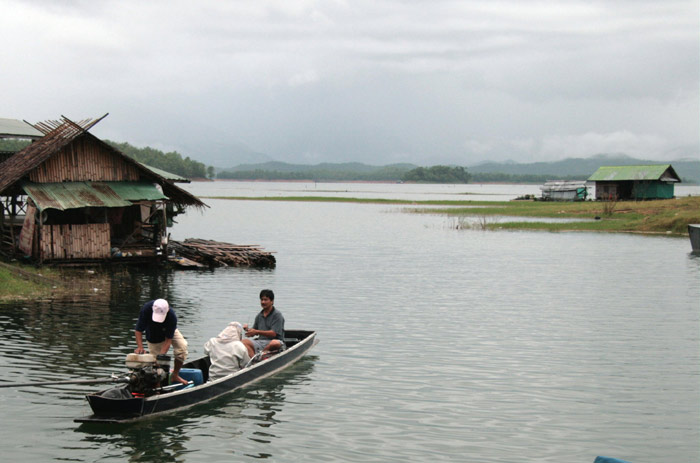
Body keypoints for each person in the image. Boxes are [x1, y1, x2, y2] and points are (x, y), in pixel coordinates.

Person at [134, 298, 189, 385]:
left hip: (169, 331)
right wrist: (140, 347)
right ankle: (157, 388)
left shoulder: (171, 316)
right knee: (156, 364)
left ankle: (175, 375)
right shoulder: (146, 309)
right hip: (153, 333)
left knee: (181, 348)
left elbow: (168, 340)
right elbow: (138, 331)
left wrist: (161, 356)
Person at [242, 289, 285, 359]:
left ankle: (261, 356)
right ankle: (254, 360)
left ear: (272, 301)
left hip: (275, 342)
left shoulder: (277, 315)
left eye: (265, 300)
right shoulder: (259, 316)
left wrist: (256, 331)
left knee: (275, 343)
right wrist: (248, 330)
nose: (263, 302)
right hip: (261, 342)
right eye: (261, 300)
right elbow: (254, 332)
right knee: (243, 342)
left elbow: (273, 333)